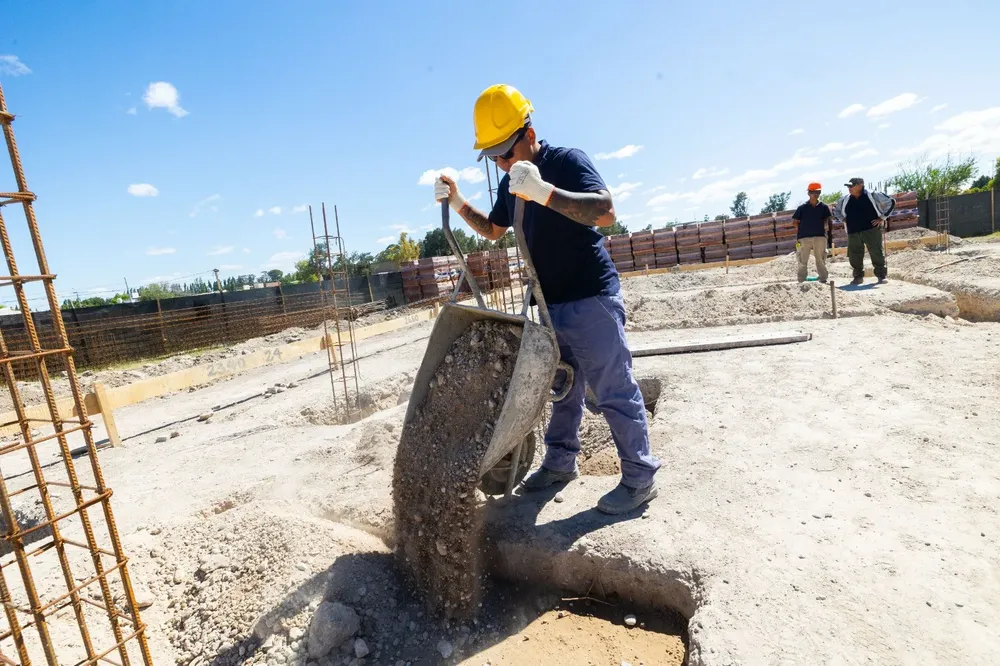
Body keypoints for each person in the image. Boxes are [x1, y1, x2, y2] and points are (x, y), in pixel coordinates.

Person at [433, 84, 660, 515]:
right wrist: (459, 201)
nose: (502, 163)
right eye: (494, 157)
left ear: (529, 133)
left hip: (591, 296)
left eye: (506, 151)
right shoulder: (510, 181)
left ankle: (639, 476)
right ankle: (559, 464)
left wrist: (545, 193)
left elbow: (606, 212)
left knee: (613, 388)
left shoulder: (566, 162)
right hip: (549, 303)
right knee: (561, 389)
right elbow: (494, 229)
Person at [834, 177, 896, 285]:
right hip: (853, 231)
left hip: (871, 229)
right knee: (854, 255)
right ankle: (857, 277)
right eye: (848, 186)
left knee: (876, 251)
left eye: (851, 186)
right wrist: (843, 219)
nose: (849, 188)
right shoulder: (845, 199)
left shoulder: (872, 195)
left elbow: (891, 202)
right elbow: (836, 210)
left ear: (860, 185)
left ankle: (881, 275)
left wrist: (882, 217)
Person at [792, 182, 832, 283]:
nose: (816, 194)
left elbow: (826, 221)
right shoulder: (802, 208)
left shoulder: (823, 207)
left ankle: (823, 279)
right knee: (802, 260)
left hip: (819, 237)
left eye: (818, 192)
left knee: (821, 259)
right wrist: (803, 231)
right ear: (809, 193)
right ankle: (801, 280)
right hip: (804, 238)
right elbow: (795, 222)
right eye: (814, 192)